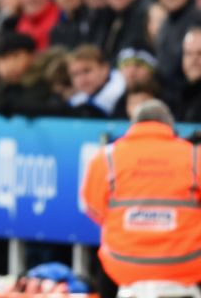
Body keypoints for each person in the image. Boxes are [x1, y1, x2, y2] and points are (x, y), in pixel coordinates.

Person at [81, 100, 201, 294]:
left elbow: (93, 209)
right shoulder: (195, 156)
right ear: (170, 126)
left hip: (123, 265)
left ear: (133, 125)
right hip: (187, 264)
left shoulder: (106, 158)